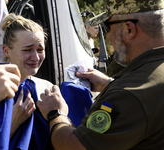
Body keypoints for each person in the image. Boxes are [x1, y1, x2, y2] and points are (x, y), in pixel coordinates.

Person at [36, 0, 164, 149]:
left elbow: (75, 146)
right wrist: (109, 84)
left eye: (106, 27)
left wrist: (55, 113)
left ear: (129, 29)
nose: (107, 36)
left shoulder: (130, 93)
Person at [1, 13, 53, 137]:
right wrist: (12, 124)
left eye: (40, 50)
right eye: (27, 50)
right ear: (6, 50)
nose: (35, 57)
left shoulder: (48, 88)